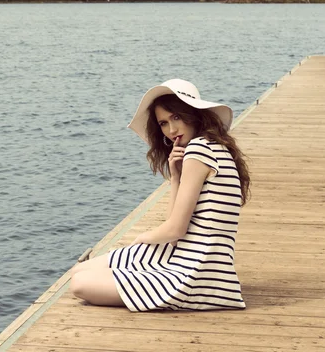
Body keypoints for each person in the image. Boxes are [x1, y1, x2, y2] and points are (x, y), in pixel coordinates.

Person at [70, 78, 251, 312]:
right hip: (192, 261)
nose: (171, 130)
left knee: (80, 282)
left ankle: (154, 279)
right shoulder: (214, 147)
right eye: (164, 123)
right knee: (79, 272)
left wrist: (140, 239)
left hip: (195, 276)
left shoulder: (199, 150)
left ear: (194, 114)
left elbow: (175, 230)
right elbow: (174, 232)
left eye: (176, 117)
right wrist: (176, 177)